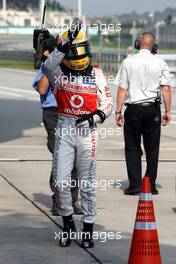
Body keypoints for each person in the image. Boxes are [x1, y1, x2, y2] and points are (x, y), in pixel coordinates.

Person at [38, 20, 113, 248]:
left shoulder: (97, 74)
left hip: (87, 132)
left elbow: (108, 103)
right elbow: (48, 66)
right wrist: (63, 43)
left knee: (87, 184)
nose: (79, 55)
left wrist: (95, 117)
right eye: (74, 50)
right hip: (65, 128)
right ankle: (68, 223)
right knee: (61, 182)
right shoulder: (58, 73)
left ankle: (88, 227)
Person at [115, 32, 171, 196]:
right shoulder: (160, 62)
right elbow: (166, 88)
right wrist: (167, 111)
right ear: (154, 46)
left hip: (133, 110)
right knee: (152, 149)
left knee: (132, 148)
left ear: (138, 44)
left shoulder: (128, 62)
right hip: (152, 110)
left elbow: (122, 89)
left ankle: (135, 186)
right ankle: (150, 185)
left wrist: (118, 111)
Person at [32, 36, 81, 215]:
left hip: (69, 113)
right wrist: (49, 65)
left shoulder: (67, 67)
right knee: (60, 157)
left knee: (75, 157)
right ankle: (58, 200)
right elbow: (43, 89)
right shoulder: (47, 68)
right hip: (53, 115)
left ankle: (71, 200)